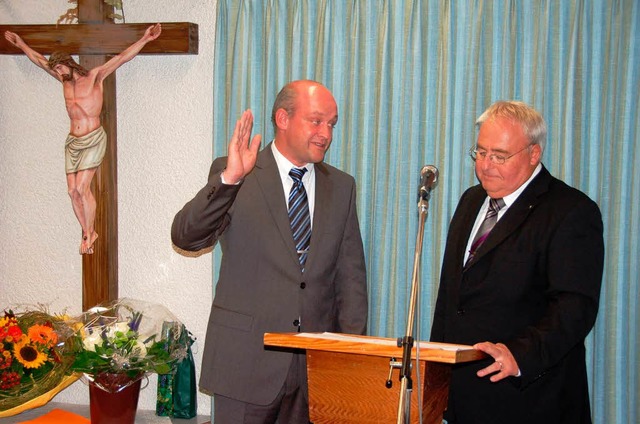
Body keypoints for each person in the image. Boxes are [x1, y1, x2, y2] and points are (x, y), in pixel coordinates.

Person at [171, 80, 368, 423]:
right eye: (317, 121)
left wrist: (347, 361)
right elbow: (186, 237)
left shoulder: (341, 186)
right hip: (245, 363)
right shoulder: (237, 172)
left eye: (332, 124)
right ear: (283, 118)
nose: (327, 133)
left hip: (313, 371)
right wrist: (229, 178)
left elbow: (350, 280)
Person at [430, 101, 604, 423]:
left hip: (530, 397)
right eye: (480, 153)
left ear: (534, 154)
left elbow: (574, 307)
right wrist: (436, 376)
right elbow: (451, 299)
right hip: (464, 397)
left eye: (499, 155)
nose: (486, 165)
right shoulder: (471, 201)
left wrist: (519, 355)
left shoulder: (570, 211)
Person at [4, 24, 162, 254]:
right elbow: (39, 60)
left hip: (93, 138)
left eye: (59, 68)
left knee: (81, 187)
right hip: (73, 142)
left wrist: (145, 39)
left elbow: (120, 58)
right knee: (72, 192)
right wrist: (21, 44)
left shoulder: (95, 76)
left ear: (68, 64)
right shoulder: (64, 82)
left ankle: (90, 232)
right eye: (55, 71)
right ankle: (88, 232)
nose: (58, 74)